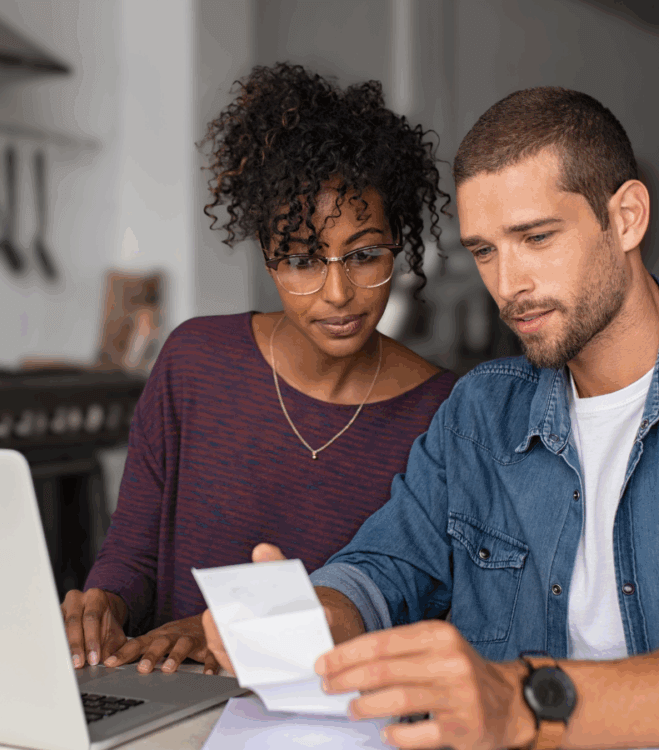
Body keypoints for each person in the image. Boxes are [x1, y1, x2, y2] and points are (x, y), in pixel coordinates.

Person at [204, 85, 659, 750]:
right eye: (484, 250)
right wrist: (308, 621)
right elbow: (383, 570)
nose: (508, 284)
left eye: (537, 237)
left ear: (627, 217)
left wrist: (524, 703)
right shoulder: (480, 414)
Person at [61, 63, 456, 676]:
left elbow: (416, 609)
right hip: (172, 699)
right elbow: (133, 556)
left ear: (398, 246)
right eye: (301, 260)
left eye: (364, 255)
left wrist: (230, 634)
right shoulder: (194, 362)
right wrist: (103, 604)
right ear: (267, 258)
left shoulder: (445, 412)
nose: (336, 293)